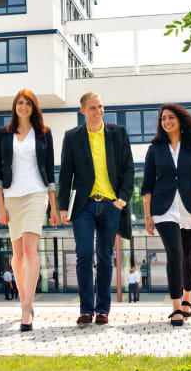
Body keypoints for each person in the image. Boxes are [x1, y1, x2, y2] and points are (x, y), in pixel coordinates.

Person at [58, 92, 135, 326]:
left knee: (104, 258)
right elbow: (65, 175)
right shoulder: (72, 137)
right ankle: (85, 310)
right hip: (84, 206)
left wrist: (121, 200)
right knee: (83, 257)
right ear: (83, 111)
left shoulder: (117, 133)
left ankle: (102, 310)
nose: (98, 111)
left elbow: (129, 169)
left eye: (100, 107)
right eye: (93, 108)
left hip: (111, 205)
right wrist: (63, 207)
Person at [0, 89, 59, 331]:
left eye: (28, 103)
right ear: (15, 106)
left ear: (34, 107)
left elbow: (50, 171)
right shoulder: (2, 134)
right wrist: (0, 205)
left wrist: (53, 205)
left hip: (36, 194)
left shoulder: (44, 134)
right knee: (18, 256)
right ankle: (24, 300)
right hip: (12, 197)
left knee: (30, 251)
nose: (23, 107)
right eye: (20, 103)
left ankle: (26, 309)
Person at [140, 104, 191, 326]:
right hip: (164, 208)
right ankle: (176, 307)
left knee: (188, 255)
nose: (166, 122)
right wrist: (148, 215)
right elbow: (147, 184)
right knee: (175, 252)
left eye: (170, 117)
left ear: (180, 120)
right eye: (163, 119)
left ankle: (188, 299)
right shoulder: (155, 149)